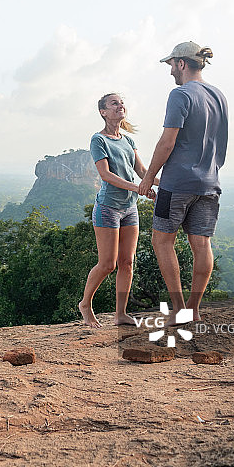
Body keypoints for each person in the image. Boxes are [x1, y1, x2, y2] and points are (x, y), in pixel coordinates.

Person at [138, 41, 228, 323]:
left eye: (171, 65)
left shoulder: (180, 95)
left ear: (181, 63)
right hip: (210, 182)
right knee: (202, 245)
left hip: (177, 183)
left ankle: (178, 310)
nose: (170, 72)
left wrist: (149, 177)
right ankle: (194, 309)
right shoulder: (219, 95)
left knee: (162, 241)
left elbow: (167, 142)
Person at [78, 93, 157, 328]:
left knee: (127, 262)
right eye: (114, 103)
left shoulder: (128, 141)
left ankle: (120, 314)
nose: (120, 105)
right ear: (103, 112)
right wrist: (139, 188)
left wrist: (162, 183)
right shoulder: (98, 140)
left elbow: (142, 171)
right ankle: (85, 304)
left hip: (129, 208)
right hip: (108, 208)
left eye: (121, 102)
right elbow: (105, 175)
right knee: (107, 264)